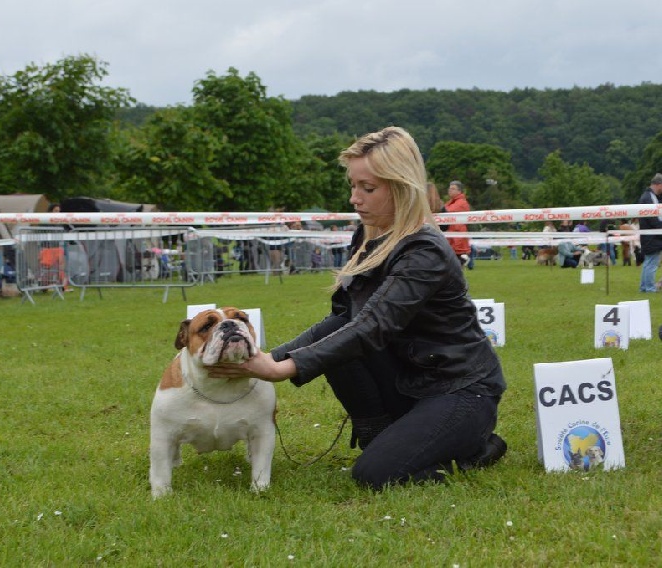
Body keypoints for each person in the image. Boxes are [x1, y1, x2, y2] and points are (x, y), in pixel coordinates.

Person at [209, 126, 507, 490]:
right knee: (342, 346)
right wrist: (272, 356)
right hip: (408, 378)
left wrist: (283, 368)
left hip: (459, 388)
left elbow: (373, 325)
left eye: (368, 188)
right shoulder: (367, 235)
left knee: (375, 476)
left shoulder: (424, 251)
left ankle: (477, 448)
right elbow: (344, 319)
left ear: (401, 186)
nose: (354, 198)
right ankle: (377, 436)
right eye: (353, 186)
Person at [638, 173, 662, 293]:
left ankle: (644, 287)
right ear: (658, 185)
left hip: (649, 236)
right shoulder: (650, 198)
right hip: (652, 236)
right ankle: (649, 288)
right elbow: (655, 219)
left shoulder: (647, 196)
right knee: (652, 264)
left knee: (648, 263)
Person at [439, 180, 472, 267]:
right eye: (449, 188)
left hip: (457, 238)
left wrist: (440, 207)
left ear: (459, 191)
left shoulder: (461, 203)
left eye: (453, 189)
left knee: (454, 265)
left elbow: (447, 212)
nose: (450, 190)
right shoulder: (451, 202)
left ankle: (464, 260)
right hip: (452, 237)